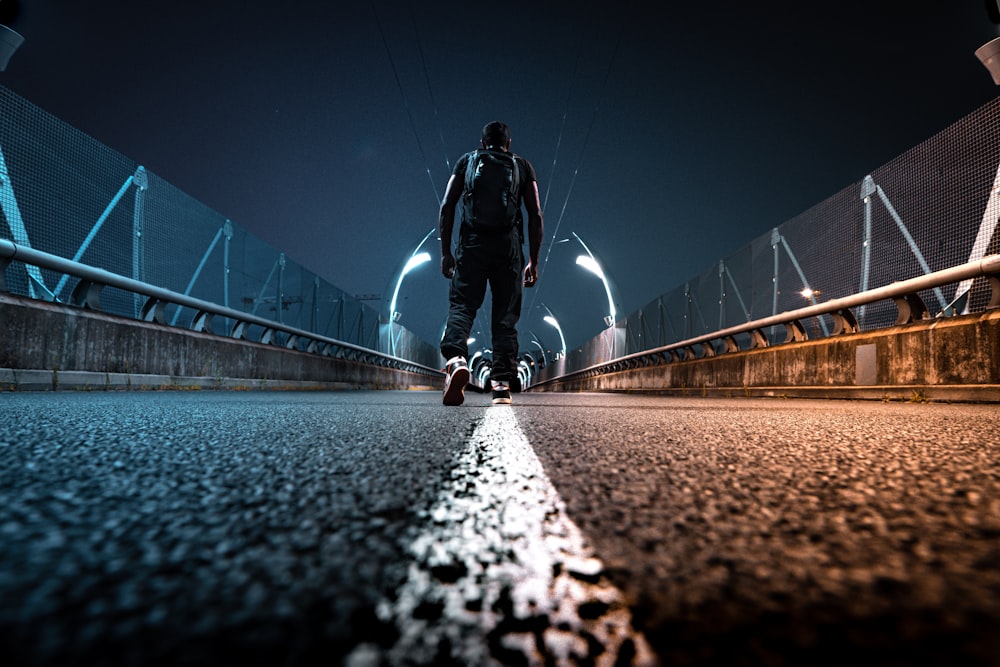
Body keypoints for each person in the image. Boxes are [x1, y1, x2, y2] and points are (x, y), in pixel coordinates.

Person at [438, 121, 544, 406]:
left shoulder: (467, 161)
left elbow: (447, 205)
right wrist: (533, 260)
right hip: (508, 249)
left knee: (462, 305)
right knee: (505, 316)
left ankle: (457, 360)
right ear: (508, 144)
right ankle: (500, 385)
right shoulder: (522, 166)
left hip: (471, 245)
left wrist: (446, 252)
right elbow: (535, 215)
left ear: (483, 142)